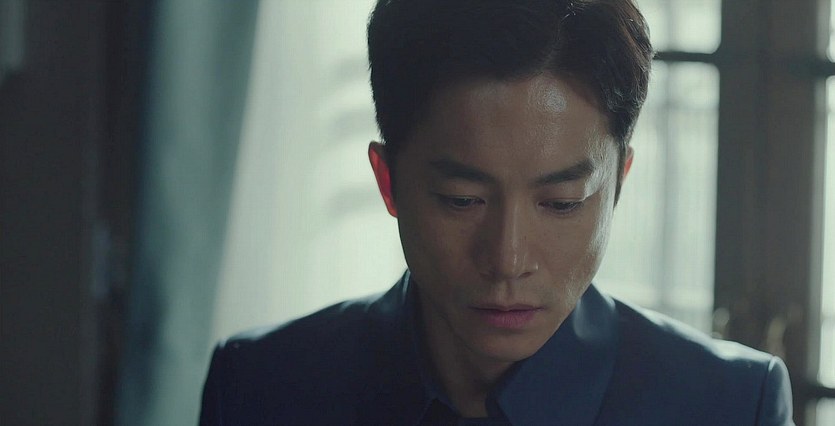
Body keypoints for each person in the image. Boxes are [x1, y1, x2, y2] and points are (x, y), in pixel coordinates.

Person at [199, 0, 794, 424]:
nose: (508, 260)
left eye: (561, 203)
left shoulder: (729, 405)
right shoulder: (262, 386)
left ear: (617, 185)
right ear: (388, 182)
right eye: (463, 200)